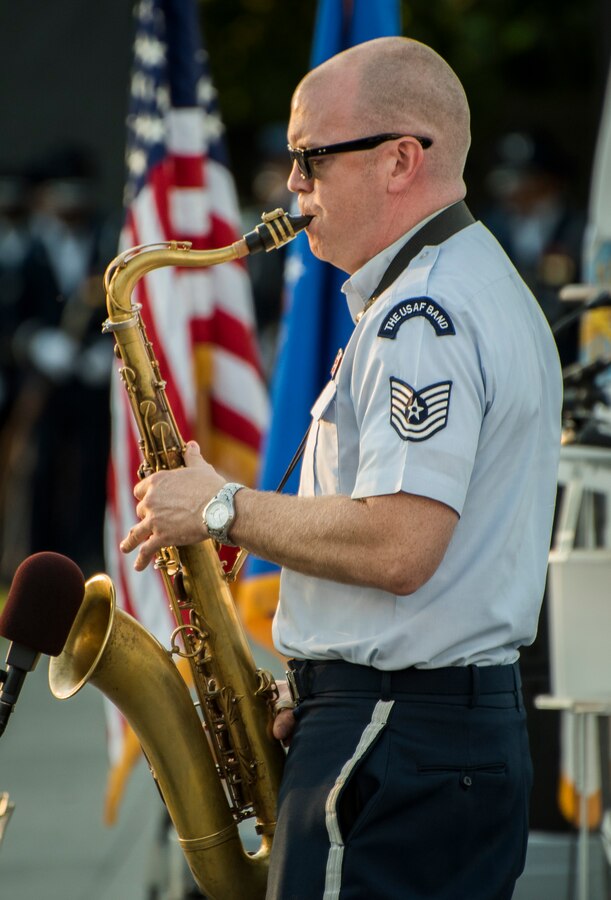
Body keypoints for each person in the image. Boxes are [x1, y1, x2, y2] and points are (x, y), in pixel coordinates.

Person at [120, 37, 563, 900]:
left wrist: (221, 509)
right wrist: (322, 681)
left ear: (401, 160)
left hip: (400, 738)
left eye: (310, 158)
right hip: (416, 730)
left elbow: (401, 544)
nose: (290, 185)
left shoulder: (421, 318)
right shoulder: (459, 288)